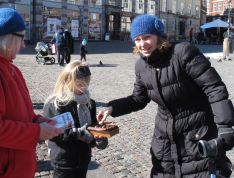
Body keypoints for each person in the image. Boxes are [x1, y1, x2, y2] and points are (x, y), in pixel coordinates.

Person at [97, 14, 234, 178]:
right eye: (137, 39)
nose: (142, 44)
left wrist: (225, 127)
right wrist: (112, 108)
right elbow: (138, 99)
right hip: (164, 142)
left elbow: (214, 88)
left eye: (147, 37)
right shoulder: (141, 66)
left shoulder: (183, 52)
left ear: (158, 36)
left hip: (197, 135)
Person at [0, 8, 64, 178]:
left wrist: (39, 120)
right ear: (8, 37)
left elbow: (21, 114)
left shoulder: (13, 69)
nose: (23, 45)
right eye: (21, 37)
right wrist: (37, 132)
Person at [43, 60, 108, 178]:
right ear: (67, 81)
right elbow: (56, 133)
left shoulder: (90, 103)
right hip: (64, 160)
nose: (83, 88)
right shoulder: (56, 104)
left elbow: (92, 126)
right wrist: (82, 133)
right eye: (79, 84)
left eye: (86, 83)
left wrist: (99, 137)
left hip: (83, 158)